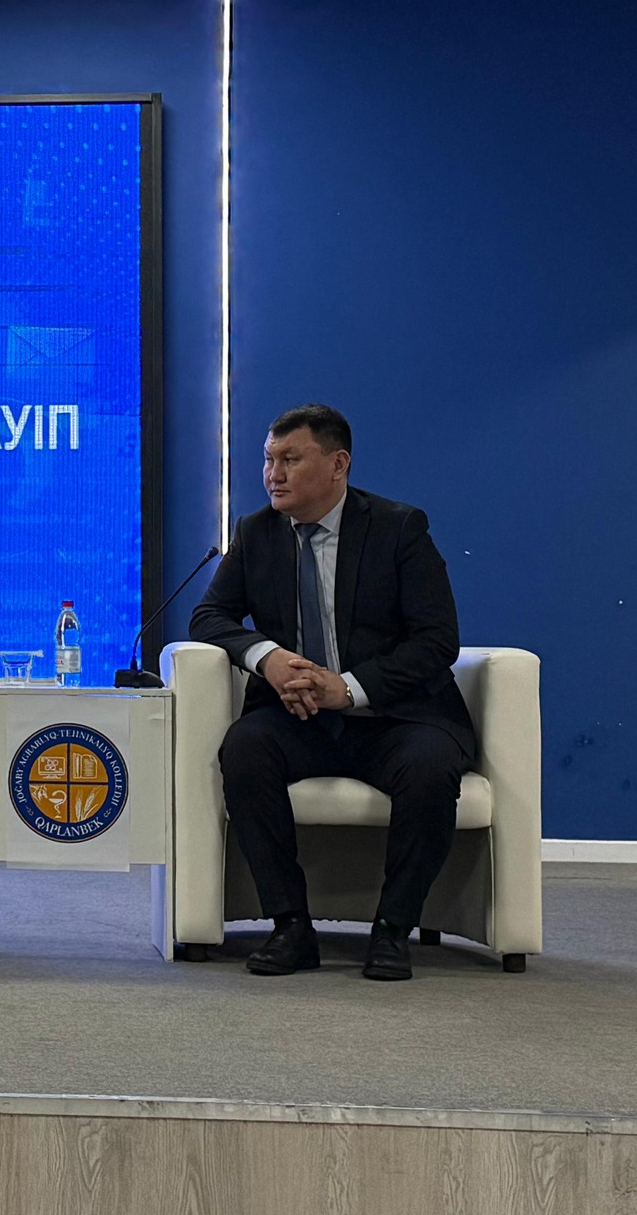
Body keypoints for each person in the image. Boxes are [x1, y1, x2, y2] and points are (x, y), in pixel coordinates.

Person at [189, 404, 476, 982]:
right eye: (268, 459)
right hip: (296, 717)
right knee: (245, 750)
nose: (274, 474)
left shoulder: (399, 528)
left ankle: (393, 930)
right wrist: (269, 659)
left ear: (338, 464)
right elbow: (209, 616)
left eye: (291, 459)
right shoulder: (255, 532)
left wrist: (347, 689)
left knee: (431, 767)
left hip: (394, 716)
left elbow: (437, 639)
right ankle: (291, 926)